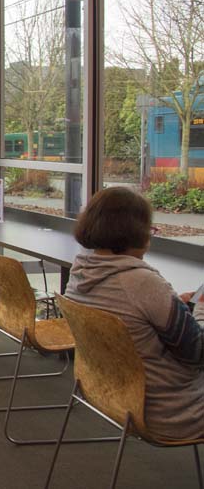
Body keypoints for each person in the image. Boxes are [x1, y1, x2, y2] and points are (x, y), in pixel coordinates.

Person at [66, 186, 204, 441]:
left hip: (110, 394)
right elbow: (196, 353)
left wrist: (178, 308)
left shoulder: (79, 273)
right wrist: (201, 310)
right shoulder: (142, 282)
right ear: (135, 232)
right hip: (172, 411)